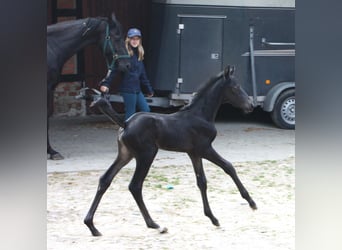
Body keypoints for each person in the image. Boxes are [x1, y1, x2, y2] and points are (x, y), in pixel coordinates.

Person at [99, 28, 154, 120]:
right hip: (127, 89)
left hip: (137, 89)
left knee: (146, 110)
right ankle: (126, 132)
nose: (135, 41)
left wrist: (149, 90)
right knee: (130, 113)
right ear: (128, 40)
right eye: (132, 39)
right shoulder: (124, 55)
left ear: (139, 40)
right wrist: (106, 84)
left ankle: (139, 130)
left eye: (137, 39)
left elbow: (143, 76)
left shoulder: (139, 56)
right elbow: (114, 70)